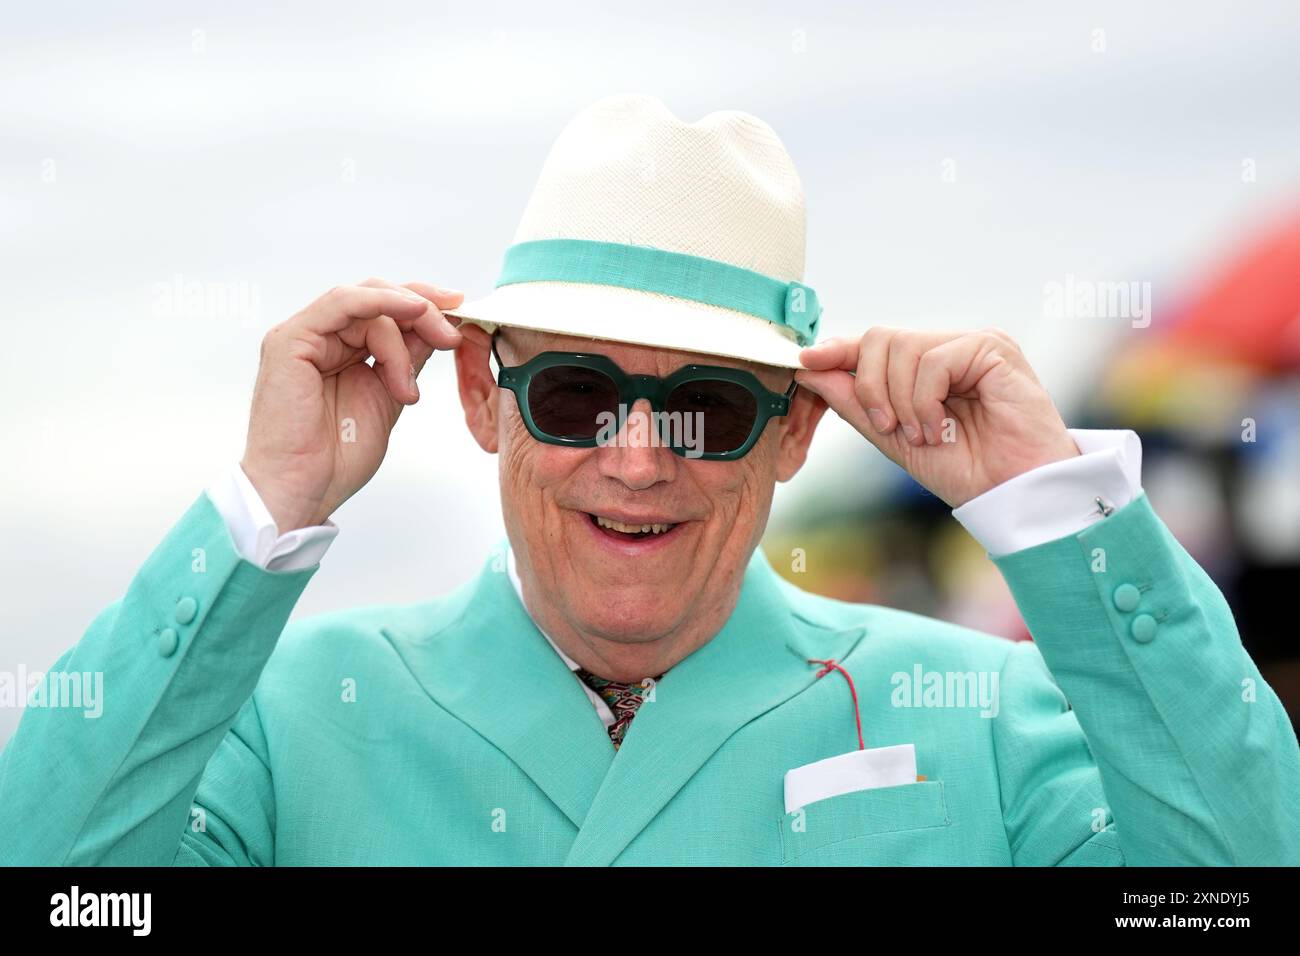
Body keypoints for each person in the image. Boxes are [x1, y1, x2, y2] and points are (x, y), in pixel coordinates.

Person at [2, 94, 1296, 866]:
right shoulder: (283, 715)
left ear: (792, 437)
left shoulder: (996, 719)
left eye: (706, 406)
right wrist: (265, 504)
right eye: (574, 393)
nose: (635, 456)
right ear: (479, 399)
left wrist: (1055, 511)